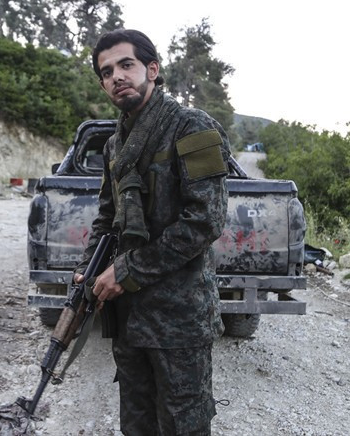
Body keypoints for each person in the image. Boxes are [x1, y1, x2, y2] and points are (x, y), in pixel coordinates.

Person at [74, 29, 230, 435]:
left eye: (126, 65)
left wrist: (126, 272)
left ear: (153, 69)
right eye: (107, 72)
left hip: (179, 318)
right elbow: (107, 219)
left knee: (183, 425)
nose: (117, 77)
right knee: (137, 424)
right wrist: (89, 267)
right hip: (130, 319)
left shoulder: (189, 127)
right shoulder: (114, 145)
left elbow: (205, 221)